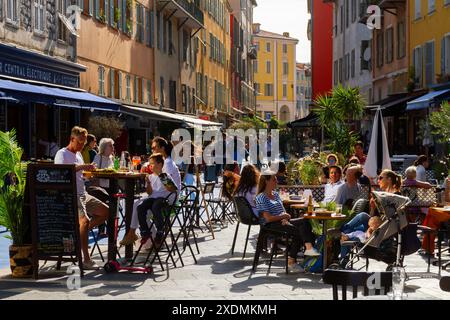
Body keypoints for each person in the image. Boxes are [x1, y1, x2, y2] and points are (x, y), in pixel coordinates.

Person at [54, 126, 109, 270]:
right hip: (69, 195)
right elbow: (61, 172)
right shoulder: (62, 153)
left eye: (83, 143)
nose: (81, 145)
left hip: (82, 192)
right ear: (71, 139)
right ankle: (86, 259)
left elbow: (79, 173)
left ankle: (78, 234)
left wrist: (87, 173)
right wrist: (81, 167)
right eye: (79, 142)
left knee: (107, 212)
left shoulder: (78, 154)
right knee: (84, 221)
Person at [256, 172, 320, 274]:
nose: (276, 181)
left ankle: (307, 249)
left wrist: (285, 217)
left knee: (305, 220)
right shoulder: (261, 197)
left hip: (282, 221)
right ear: (266, 181)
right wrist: (283, 216)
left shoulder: (276, 194)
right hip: (271, 225)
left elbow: (283, 211)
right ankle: (294, 260)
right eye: (274, 179)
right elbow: (267, 219)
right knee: (300, 231)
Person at [120, 153, 177, 247]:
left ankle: (160, 231)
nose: (150, 166)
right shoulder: (150, 176)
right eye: (150, 164)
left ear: (159, 164)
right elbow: (150, 193)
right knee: (140, 207)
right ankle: (145, 231)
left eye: (152, 164)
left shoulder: (164, 175)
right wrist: (148, 183)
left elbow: (172, 189)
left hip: (163, 199)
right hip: (153, 198)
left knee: (155, 206)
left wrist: (162, 178)